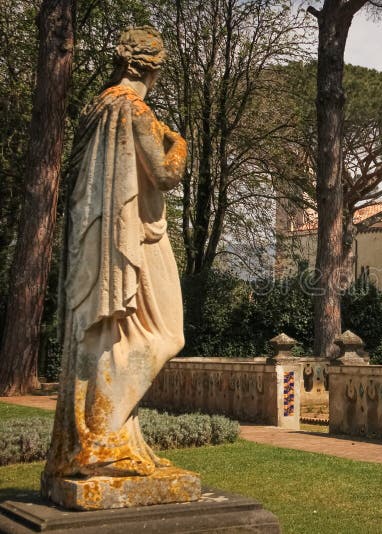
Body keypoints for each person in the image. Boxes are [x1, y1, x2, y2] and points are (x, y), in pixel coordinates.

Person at [44, 26, 186, 479]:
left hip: (97, 238)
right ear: (151, 68)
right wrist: (181, 143)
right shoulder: (135, 108)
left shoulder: (96, 108)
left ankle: (109, 437)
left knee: (113, 336)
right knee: (167, 333)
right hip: (132, 237)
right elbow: (164, 175)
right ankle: (103, 438)